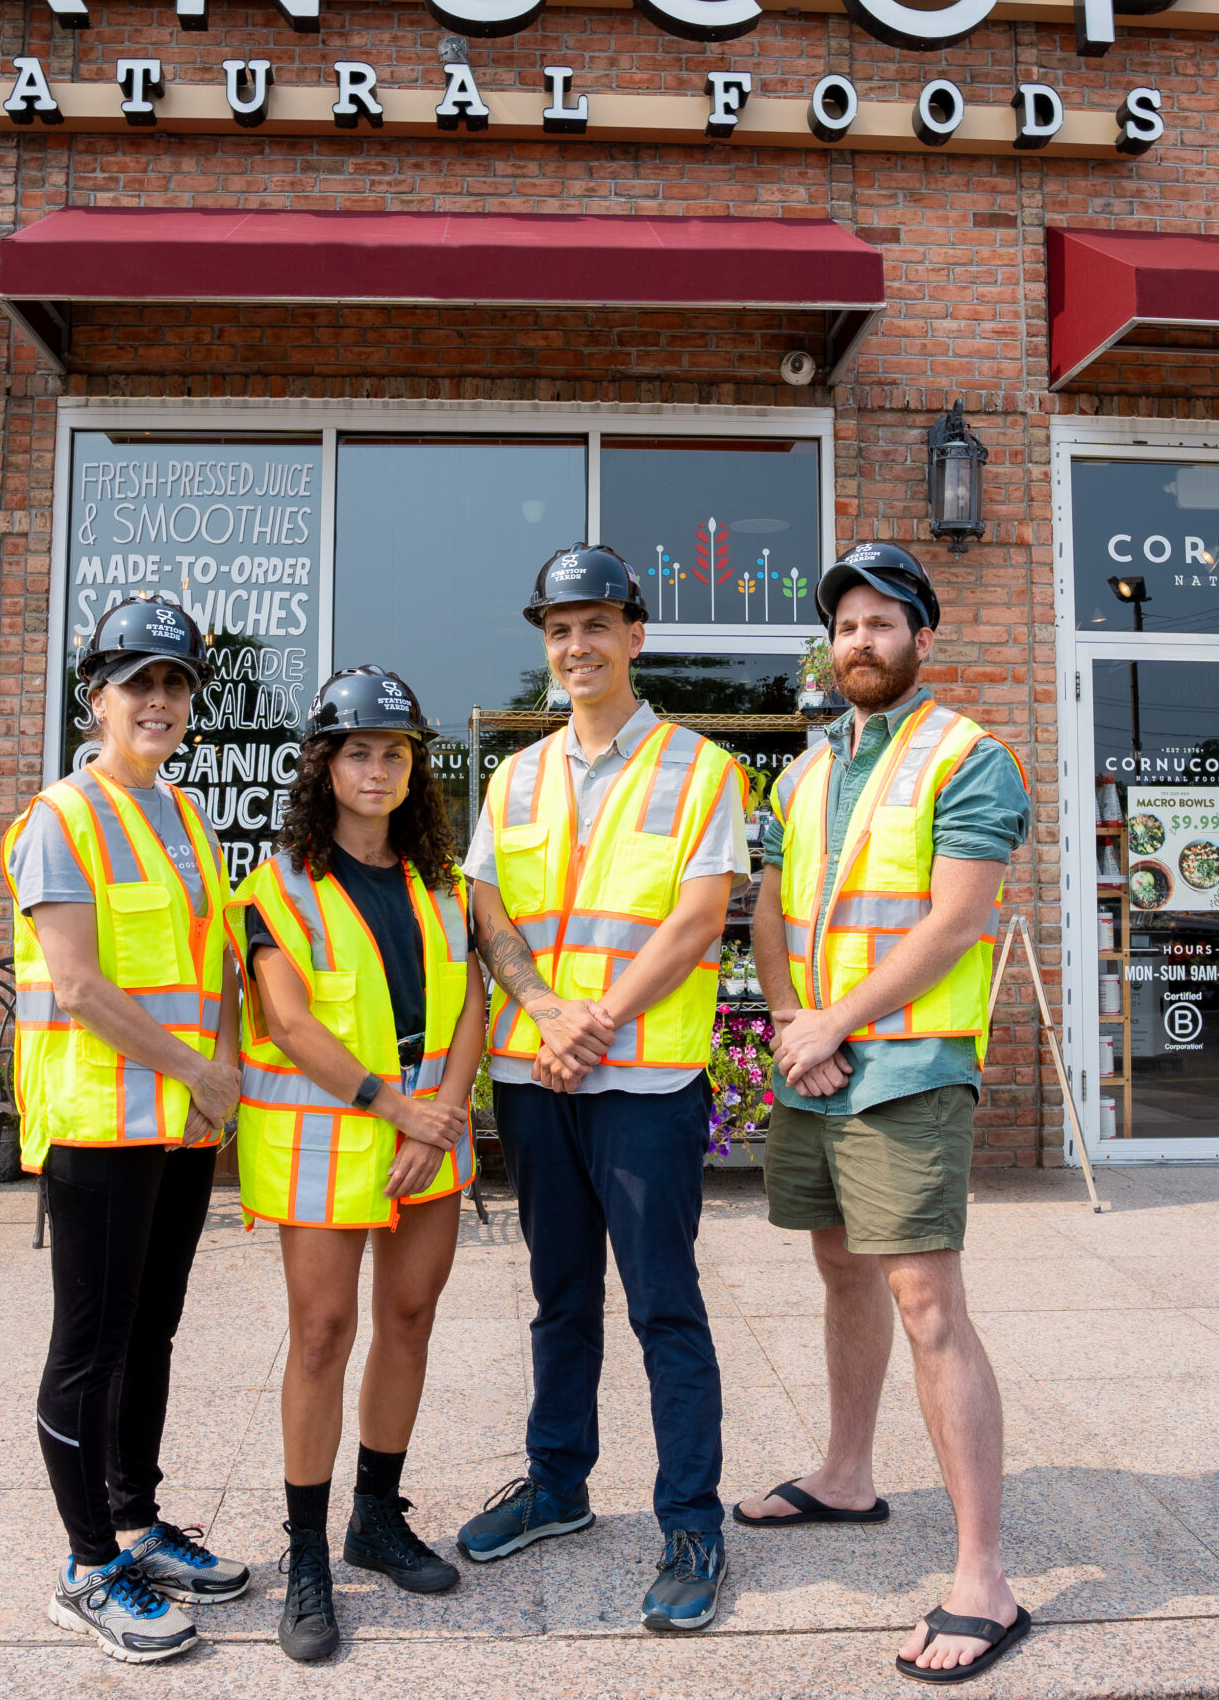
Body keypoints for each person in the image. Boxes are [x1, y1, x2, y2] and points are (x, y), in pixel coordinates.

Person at [735, 543, 1033, 1686]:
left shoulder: (968, 758)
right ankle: (847, 1474)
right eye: (844, 627)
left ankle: (982, 1579)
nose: (859, 641)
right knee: (838, 1268)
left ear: (921, 636)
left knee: (926, 1301)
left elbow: (953, 924)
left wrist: (834, 1022)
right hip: (817, 1065)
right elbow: (771, 910)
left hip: (906, 1070)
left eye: (880, 623)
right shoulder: (805, 771)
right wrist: (788, 1022)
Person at [457, 542, 748, 1634]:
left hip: (644, 1081)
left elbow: (694, 917)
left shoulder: (701, 767)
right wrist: (542, 1011)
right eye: (557, 628)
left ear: (635, 634)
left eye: (595, 625)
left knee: (664, 1306)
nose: (575, 645)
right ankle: (557, 1486)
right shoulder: (515, 773)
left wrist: (600, 1020)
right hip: (538, 1073)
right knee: (559, 1297)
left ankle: (690, 1522)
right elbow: (489, 909)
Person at [2, 596, 253, 1666]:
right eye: (136, 683)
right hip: (103, 1124)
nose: (158, 701)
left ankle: (138, 1524)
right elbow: (80, 985)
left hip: (182, 1126)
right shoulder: (62, 818)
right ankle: (85, 1565)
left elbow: (220, 962)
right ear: (94, 699)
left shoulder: (182, 816)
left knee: (150, 1335)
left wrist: (225, 1067)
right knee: (90, 1347)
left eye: (175, 684)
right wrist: (202, 1069)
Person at [226, 664, 487, 1663]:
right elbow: (289, 1024)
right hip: (327, 1141)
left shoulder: (443, 883)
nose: (377, 769)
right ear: (323, 766)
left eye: (394, 752)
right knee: (324, 1333)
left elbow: (470, 1003)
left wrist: (447, 1111)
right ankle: (305, 1557)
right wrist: (400, 1111)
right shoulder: (275, 886)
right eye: (357, 752)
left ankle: (375, 1519)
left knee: (409, 1321)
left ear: (414, 767)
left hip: (428, 1137)